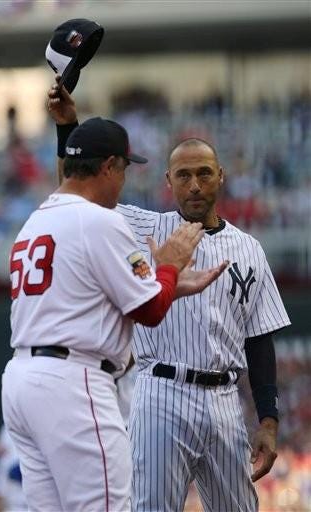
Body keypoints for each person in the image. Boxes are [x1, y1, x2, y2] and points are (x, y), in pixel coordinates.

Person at [48, 81, 291, 512]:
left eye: (203, 173)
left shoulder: (249, 248)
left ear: (221, 176)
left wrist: (268, 422)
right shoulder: (145, 227)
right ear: (169, 182)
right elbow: (80, 192)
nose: (194, 184)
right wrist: (69, 129)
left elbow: (260, 340)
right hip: (161, 390)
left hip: (223, 399)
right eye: (184, 175)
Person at [2, 110, 227, 512]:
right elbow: (151, 309)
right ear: (108, 167)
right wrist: (171, 265)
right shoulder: (98, 221)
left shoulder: (35, 221)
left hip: (22, 382)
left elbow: (115, 297)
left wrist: (168, 285)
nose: (123, 182)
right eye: (122, 169)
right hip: (73, 383)